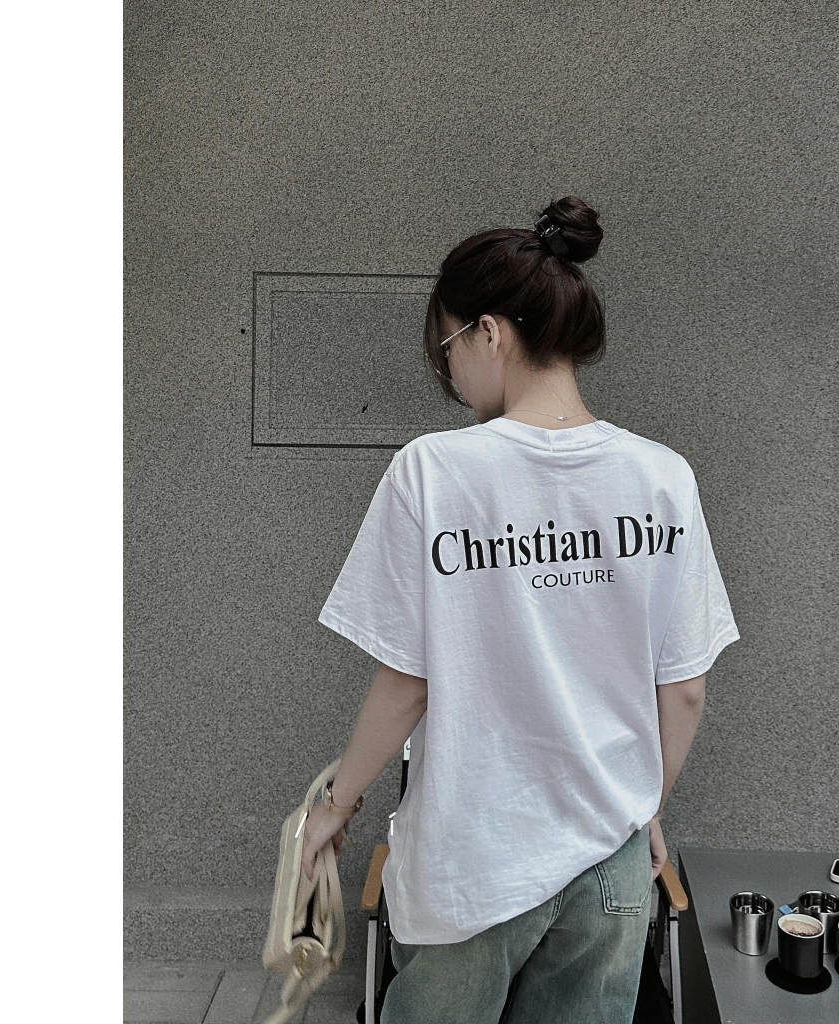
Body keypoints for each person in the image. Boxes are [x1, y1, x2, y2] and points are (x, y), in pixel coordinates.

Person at [301, 196, 741, 1023]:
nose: (451, 377)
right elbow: (684, 689)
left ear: (489, 334)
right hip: (609, 861)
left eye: (448, 351)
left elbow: (406, 684)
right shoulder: (663, 478)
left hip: (474, 861)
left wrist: (334, 809)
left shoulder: (434, 472)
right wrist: (641, 812)